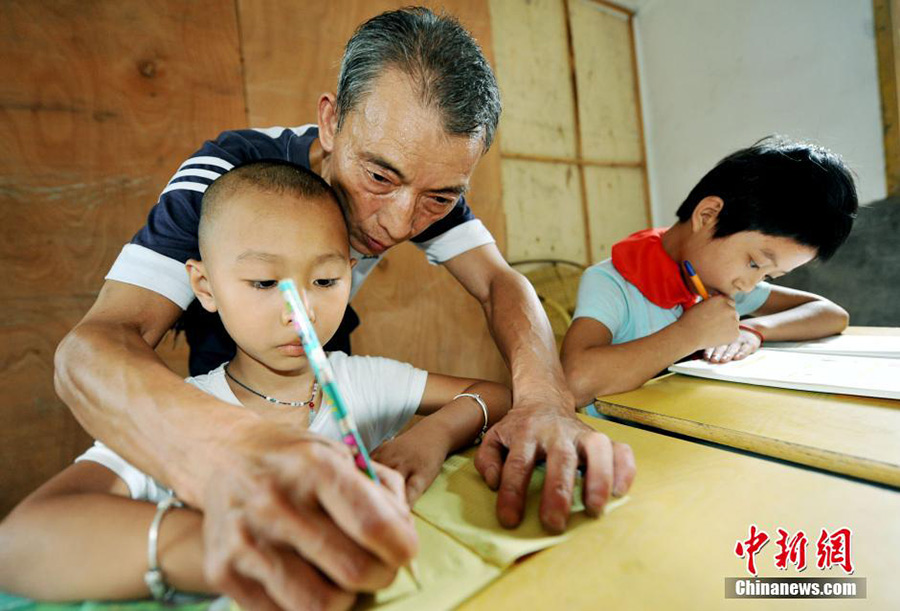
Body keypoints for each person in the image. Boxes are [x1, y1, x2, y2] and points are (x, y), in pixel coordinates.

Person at [52, 8, 636, 606]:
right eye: (379, 176)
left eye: (438, 198)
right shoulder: (229, 181)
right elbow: (94, 346)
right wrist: (235, 453)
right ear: (330, 122)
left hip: (321, 375)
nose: (399, 223)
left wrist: (543, 399)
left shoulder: (420, 178)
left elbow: (498, 284)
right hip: (224, 392)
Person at [0, 161, 513, 604]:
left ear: (351, 273)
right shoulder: (179, 412)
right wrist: (209, 543)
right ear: (205, 286)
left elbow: (494, 396)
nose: (301, 312)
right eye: (266, 283)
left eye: (327, 281)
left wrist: (430, 436)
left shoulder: (358, 382)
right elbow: (18, 545)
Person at [561, 137, 858, 405]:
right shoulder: (611, 282)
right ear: (707, 215)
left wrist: (752, 330)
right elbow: (575, 382)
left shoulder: (720, 284)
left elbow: (830, 314)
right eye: (754, 263)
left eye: (768, 276)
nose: (749, 285)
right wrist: (688, 335)